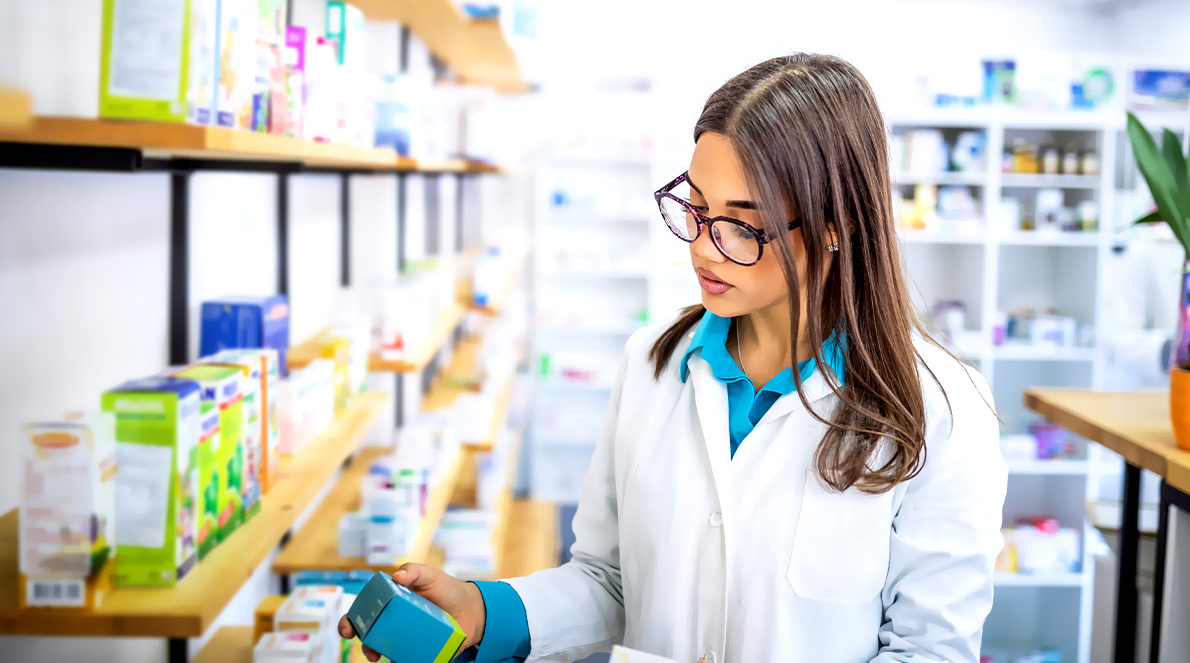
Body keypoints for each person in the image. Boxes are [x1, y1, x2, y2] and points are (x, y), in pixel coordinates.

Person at [339, 53, 1007, 663]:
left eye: (742, 224)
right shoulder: (652, 365)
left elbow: (929, 650)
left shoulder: (939, 409)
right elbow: (609, 578)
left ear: (837, 227)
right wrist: (484, 612)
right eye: (695, 206)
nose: (703, 248)